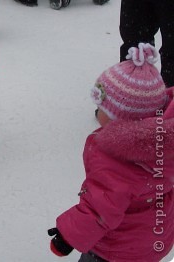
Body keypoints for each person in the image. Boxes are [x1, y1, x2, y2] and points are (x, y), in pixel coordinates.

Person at [48, 43, 174, 262]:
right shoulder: (163, 143)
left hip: (116, 249)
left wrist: (67, 237)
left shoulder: (118, 159)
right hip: (153, 238)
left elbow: (100, 209)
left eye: (103, 108)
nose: (97, 112)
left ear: (123, 119)